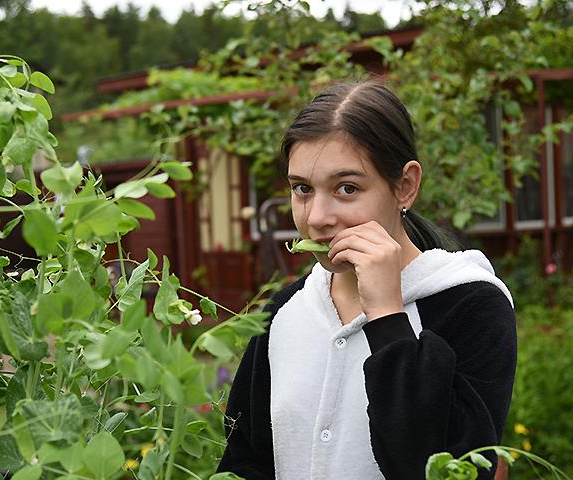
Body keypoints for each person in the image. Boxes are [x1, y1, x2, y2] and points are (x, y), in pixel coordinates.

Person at [216, 82, 516, 480]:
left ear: (405, 186)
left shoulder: (470, 304)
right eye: (302, 188)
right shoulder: (284, 313)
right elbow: (244, 461)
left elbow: (451, 467)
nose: (318, 216)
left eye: (347, 188)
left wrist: (388, 317)